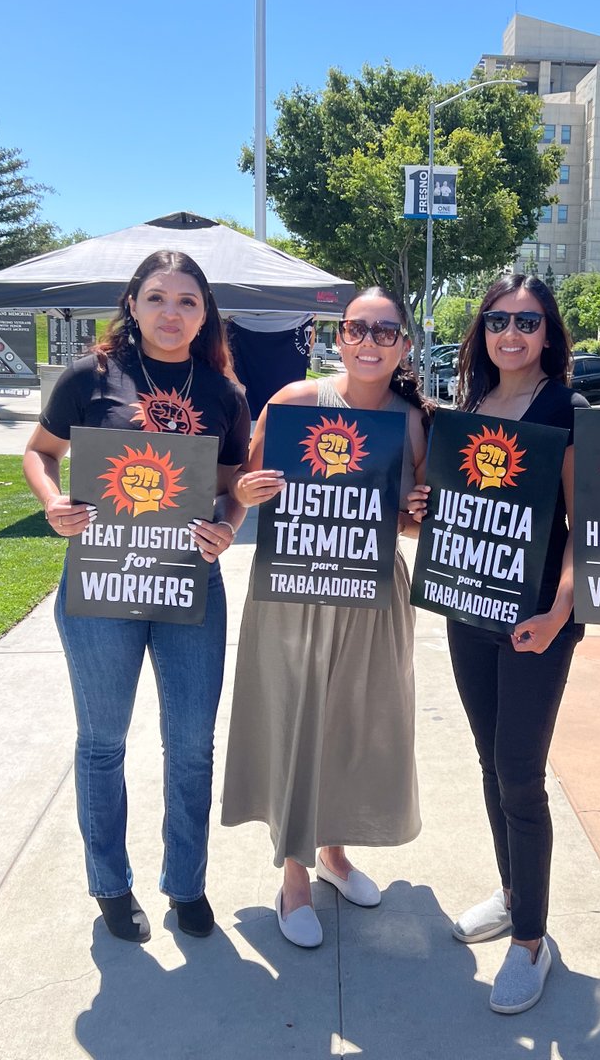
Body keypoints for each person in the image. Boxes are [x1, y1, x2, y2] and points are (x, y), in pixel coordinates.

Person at [23, 250, 250, 944]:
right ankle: (111, 885)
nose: (171, 312)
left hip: (188, 580)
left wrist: (227, 528)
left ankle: (186, 883)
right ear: (132, 303)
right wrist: (53, 501)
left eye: (187, 300)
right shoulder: (88, 378)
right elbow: (38, 451)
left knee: (190, 745)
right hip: (100, 580)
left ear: (205, 312)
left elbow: (232, 484)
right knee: (102, 742)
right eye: (157, 298)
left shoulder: (224, 394)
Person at [221, 287, 428, 948]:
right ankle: (293, 878)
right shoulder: (295, 402)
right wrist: (243, 492)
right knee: (298, 721)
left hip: (371, 595)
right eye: (357, 329)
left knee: (353, 726)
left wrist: (419, 514)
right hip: (294, 590)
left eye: (385, 331)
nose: (369, 341)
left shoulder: (413, 419)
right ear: (337, 338)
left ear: (404, 343)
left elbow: (403, 521)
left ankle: (335, 857)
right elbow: (244, 486)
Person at [408, 273, 587, 1015]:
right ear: (482, 330)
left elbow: (587, 531)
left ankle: (531, 944)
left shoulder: (566, 410)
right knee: (489, 763)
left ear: (549, 333)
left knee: (520, 773)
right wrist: (425, 505)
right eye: (498, 320)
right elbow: (453, 507)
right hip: (468, 606)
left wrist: (558, 613)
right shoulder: (472, 407)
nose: (511, 333)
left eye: (528, 320)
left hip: (536, 621)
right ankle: (515, 895)